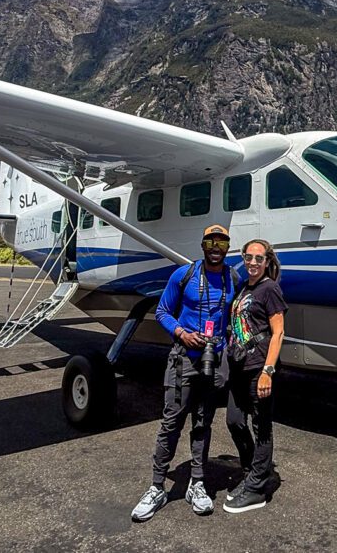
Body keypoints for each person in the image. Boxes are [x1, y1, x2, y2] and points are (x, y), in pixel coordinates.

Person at [131, 224, 238, 522]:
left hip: (213, 360)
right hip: (183, 359)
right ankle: (157, 487)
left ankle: (197, 483)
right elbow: (162, 312)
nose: (216, 247)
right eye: (210, 242)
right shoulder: (184, 274)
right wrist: (182, 333)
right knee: (171, 422)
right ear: (202, 246)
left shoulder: (232, 278)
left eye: (222, 243)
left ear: (227, 248)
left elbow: (236, 315)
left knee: (203, 422)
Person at [222, 239, 287, 514]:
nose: (252, 262)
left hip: (259, 367)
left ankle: (257, 489)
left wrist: (267, 372)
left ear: (267, 261)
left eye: (258, 258)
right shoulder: (243, 288)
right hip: (239, 367)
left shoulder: (269, 289)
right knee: (234, 420)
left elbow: (278, 333)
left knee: (262, 428)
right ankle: (253, 471)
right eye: (248, 257)